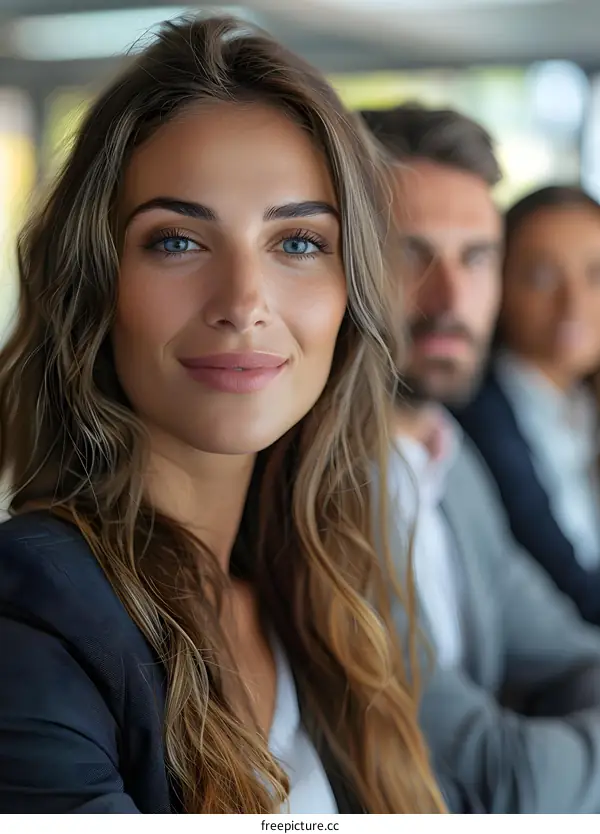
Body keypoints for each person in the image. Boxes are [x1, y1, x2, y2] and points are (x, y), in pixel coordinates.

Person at [0, 18, 447, 814]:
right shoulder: (32, 609)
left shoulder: (325, 590)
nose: (243, 304)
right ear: (95, 289)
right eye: (176, 242)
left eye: (299, 242)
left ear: (354, 297)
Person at [362, 103, 600, 813]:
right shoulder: (312, 484)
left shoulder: (447, 455)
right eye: (410, 253)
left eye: (476, 258)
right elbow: (501, 782)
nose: (451, 298)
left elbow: (568, 649)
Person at [457, 186, 600, 624]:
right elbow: (564, 583)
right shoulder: (481, 418)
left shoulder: (579, 404)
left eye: (596, 274)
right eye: (540, 276)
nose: (573, 303)